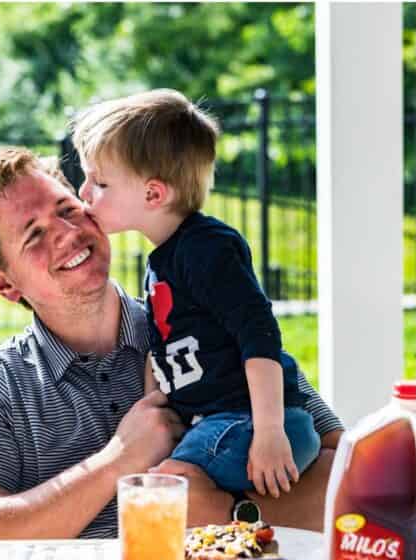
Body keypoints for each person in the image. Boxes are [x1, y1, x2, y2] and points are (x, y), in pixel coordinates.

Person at [0, 147, 343, 539]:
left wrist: (227, 514)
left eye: (67, 209)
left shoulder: (210, 326)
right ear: (3, 284)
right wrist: (118, 461)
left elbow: (353, 471)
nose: (67, 232)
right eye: (35, 234)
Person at [72, 89, 318, 499]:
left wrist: (270, 431)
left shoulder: (207, 248)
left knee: (161, 490)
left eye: (99, 182)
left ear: (153, 194)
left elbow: (259, 336)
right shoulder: (162, 260)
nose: (84, 193)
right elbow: (165, 349)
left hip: (249, 424)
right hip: (220, 424)